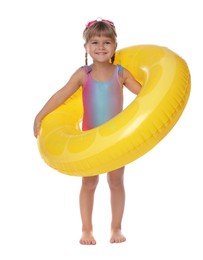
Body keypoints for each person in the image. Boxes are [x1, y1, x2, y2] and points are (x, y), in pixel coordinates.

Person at [33, 18, 142, 245]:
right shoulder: (84, 74)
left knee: (116, 182)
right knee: (89, 183)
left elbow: (146, 97)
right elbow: (61, 95)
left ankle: (116, 228)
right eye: (94, 42)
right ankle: (86, 230)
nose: (100, 47)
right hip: (89, 140)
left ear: (114, 46)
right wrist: (40, 115)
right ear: (86, 47)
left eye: (106, 42)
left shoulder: (120, 73)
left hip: (115, 141)